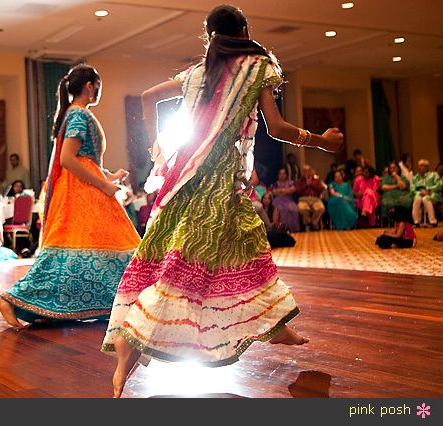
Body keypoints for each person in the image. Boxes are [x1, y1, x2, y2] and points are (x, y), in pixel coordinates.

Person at [100, 4, 343, 398]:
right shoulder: (256, 69)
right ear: (244, 30)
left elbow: (147, 98)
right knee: (185, 266)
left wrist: (156, 148)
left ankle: (276, 327)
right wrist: (322, 142)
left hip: (183, 175)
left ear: (209, 36)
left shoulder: (196, 74)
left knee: (225, 246)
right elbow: (277, 128)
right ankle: (132, 344)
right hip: (216, 182)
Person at [0, 64, 140, 327]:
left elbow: (85, 162)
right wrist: (105, 186)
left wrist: (110, 176)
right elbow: (68, 160)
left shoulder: (77, 114)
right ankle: (12, 299)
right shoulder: (78, 116)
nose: (99, 91)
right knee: (100, 247)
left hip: (84, 189)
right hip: (80, 195)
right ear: (90, 86)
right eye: (98, 86)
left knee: (89, 251)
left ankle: (118, 301)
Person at [296, 165, 327, 231]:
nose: (306, 172)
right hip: (303, 199)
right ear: (302, 172)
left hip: (315, 199)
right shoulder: (300, 181)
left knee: (321, 208)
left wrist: (311, 184)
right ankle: (310, 222)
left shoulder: (317, 180)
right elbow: (298, 191)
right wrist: (306, 184)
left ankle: (312, 222)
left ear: (311, 171)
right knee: (301, 208)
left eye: (308, 170)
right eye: (304, 171)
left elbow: (321, 189)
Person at [411, 159, 440, 227]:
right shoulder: (415, 177)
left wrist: (429, 190)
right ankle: (416, 222)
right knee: (417, 199)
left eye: (421, 165)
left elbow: (439, 185)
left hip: (432, 194)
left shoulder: (434, 175)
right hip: (420, 194)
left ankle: (433, 221)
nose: (419, 167)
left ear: (426, 167)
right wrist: (420, 193)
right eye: (418, 166)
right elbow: (412, 189)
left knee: (426, 198)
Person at [270, 167, 299, 232]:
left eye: (283, 174)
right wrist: (286, 191)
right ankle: (282, 229)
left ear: (286, 175)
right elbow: (274, 192)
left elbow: (292, 190)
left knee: (293, 209)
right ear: (278, 175)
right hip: (278, 200)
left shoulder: (291, 182)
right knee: (281, 209)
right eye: (280, 174)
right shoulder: (275, 184)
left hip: (289, 200)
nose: (282, 175)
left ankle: (292, 229)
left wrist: (281, 190)